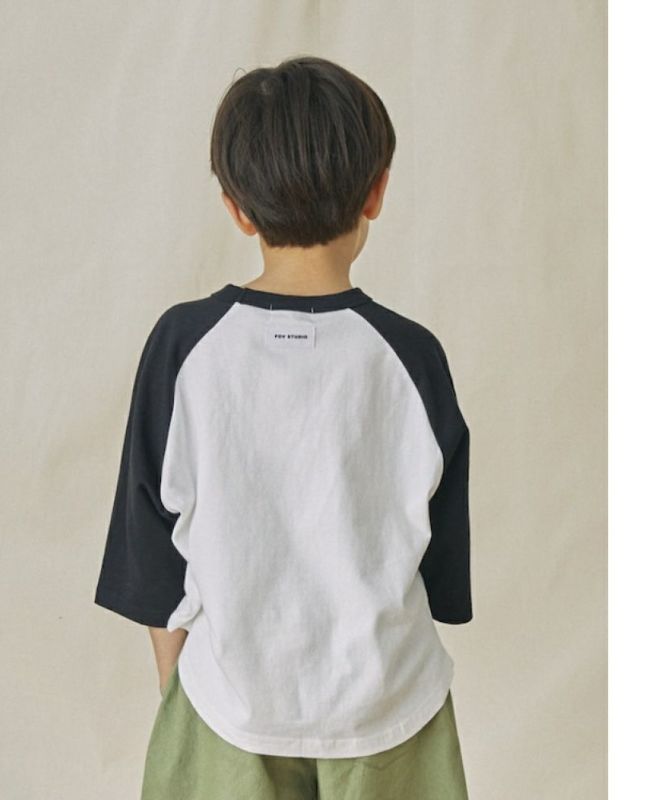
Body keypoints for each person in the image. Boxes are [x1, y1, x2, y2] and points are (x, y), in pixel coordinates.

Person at [94, 54, 472, 800]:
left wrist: (187, 695)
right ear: (377, 192)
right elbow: (436, 567)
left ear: (236, 208)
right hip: (391, 711)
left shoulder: (183, 347)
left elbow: (150, 554)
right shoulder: (412, 356)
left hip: (225, 705)